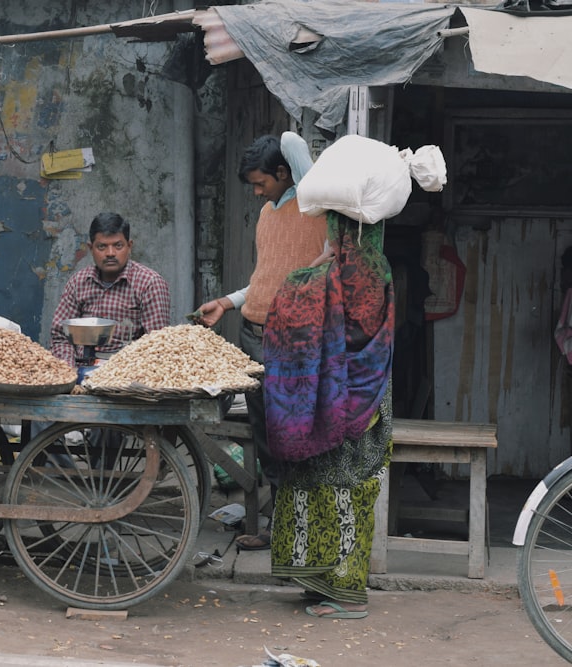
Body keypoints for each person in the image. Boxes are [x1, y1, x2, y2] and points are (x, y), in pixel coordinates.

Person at [196, 133, 330, 551]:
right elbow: (263, 278)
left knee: (294, 438)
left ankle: (300, 531)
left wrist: (291, 152)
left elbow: (293, 143)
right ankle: (283, 527)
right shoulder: (267, 214)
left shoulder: (316, 209)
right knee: (268, 439)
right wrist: (228, 302)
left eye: (262, 183)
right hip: (253, 337)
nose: (256, 192)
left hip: (292, 342)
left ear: (283, 172)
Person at [262, 209, 395, 620]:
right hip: (366, 400)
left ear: (343, 231)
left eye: (332, 230)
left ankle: (348, 595)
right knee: (329, 490)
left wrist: (309, 272)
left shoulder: (347, 271)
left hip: (341, 405)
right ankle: (320, 583)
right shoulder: (379, 266)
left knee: (342, 494)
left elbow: (294, 301)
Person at [50, 212, 171, 373]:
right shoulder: (78, 282)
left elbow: (158, 345)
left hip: (130, 375)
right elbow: (60, 337)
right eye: (102, 246)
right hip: (81, 369)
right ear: (91, 248)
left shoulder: (150, 283)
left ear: (129, 246)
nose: (110, 253)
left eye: (118, 246)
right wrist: (68, 372)